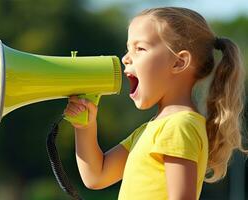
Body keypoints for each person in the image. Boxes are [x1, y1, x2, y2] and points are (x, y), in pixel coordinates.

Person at [63, 7, 246, 200]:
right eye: (128, 48)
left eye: (139, 48)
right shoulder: (152, 129)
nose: (125, 58)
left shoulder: (179, 126)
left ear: (178, 62)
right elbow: (96, 176)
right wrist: (85, 126)